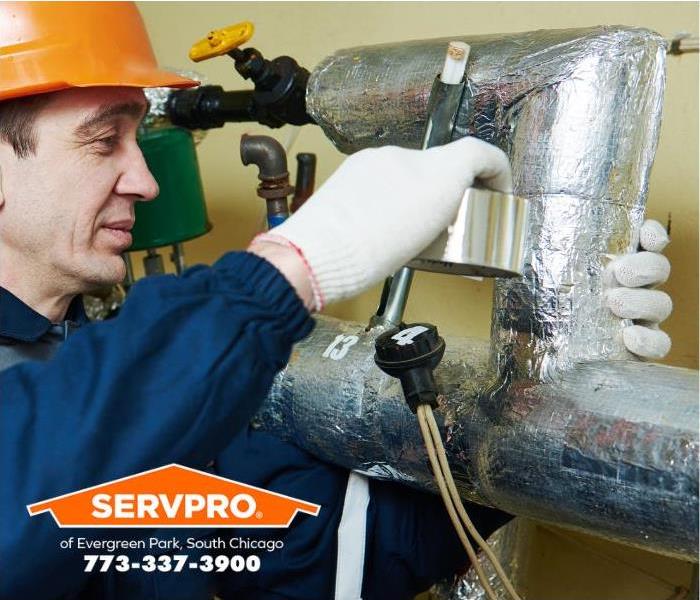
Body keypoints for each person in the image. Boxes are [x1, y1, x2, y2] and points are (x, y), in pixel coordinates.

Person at [0, 3, 673, 599]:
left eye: (139, 137)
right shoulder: (90, 413)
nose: (145, 181)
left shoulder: (93, 365)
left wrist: (540, 412)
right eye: (103, 139)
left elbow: (330, 548)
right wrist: (289, 267)